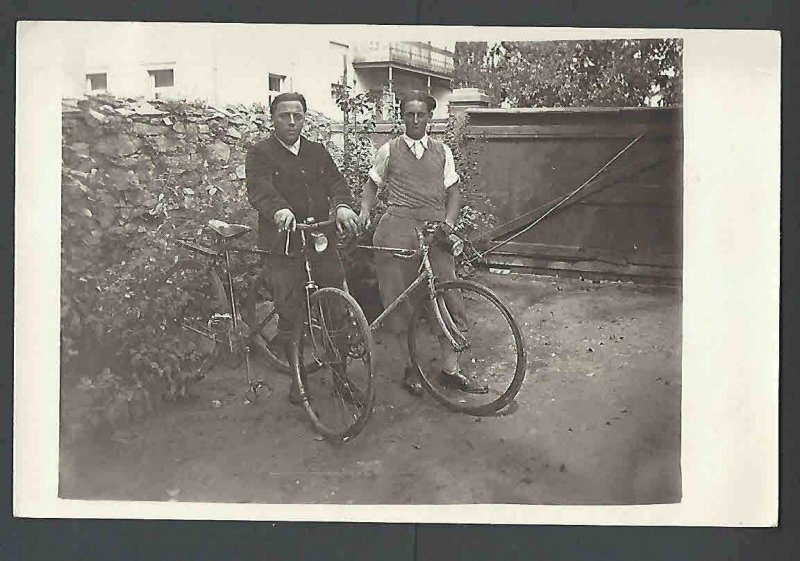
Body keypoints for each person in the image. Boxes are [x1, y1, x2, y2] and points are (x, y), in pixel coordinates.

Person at [358, 90, 486, 396]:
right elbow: (372, 184)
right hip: (396, 231)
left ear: (430, 117)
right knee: (401, 302)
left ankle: (450, 369)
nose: (415, 120)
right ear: (402, 117)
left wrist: (448, 224)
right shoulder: (389, 150)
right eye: (409, 114)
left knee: (448, 296)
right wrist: (364, 209)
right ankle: (409, 369)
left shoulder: (442, 152)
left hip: (434, 231)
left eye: (421, 114)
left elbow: (454, 192)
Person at [246, 92, 360, 404]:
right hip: (283, 245)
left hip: (319, 240)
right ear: (273, 118)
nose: (292, 122)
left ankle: (341, 377)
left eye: (298, 115)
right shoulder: (260, 153)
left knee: (336, 309)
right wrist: (279, 210)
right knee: (290, 314)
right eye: (285, 116)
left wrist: (342, 207)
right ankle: (298, 380)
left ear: (304, 117)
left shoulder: (317, 152)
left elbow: (337, 184)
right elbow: (259, 190)